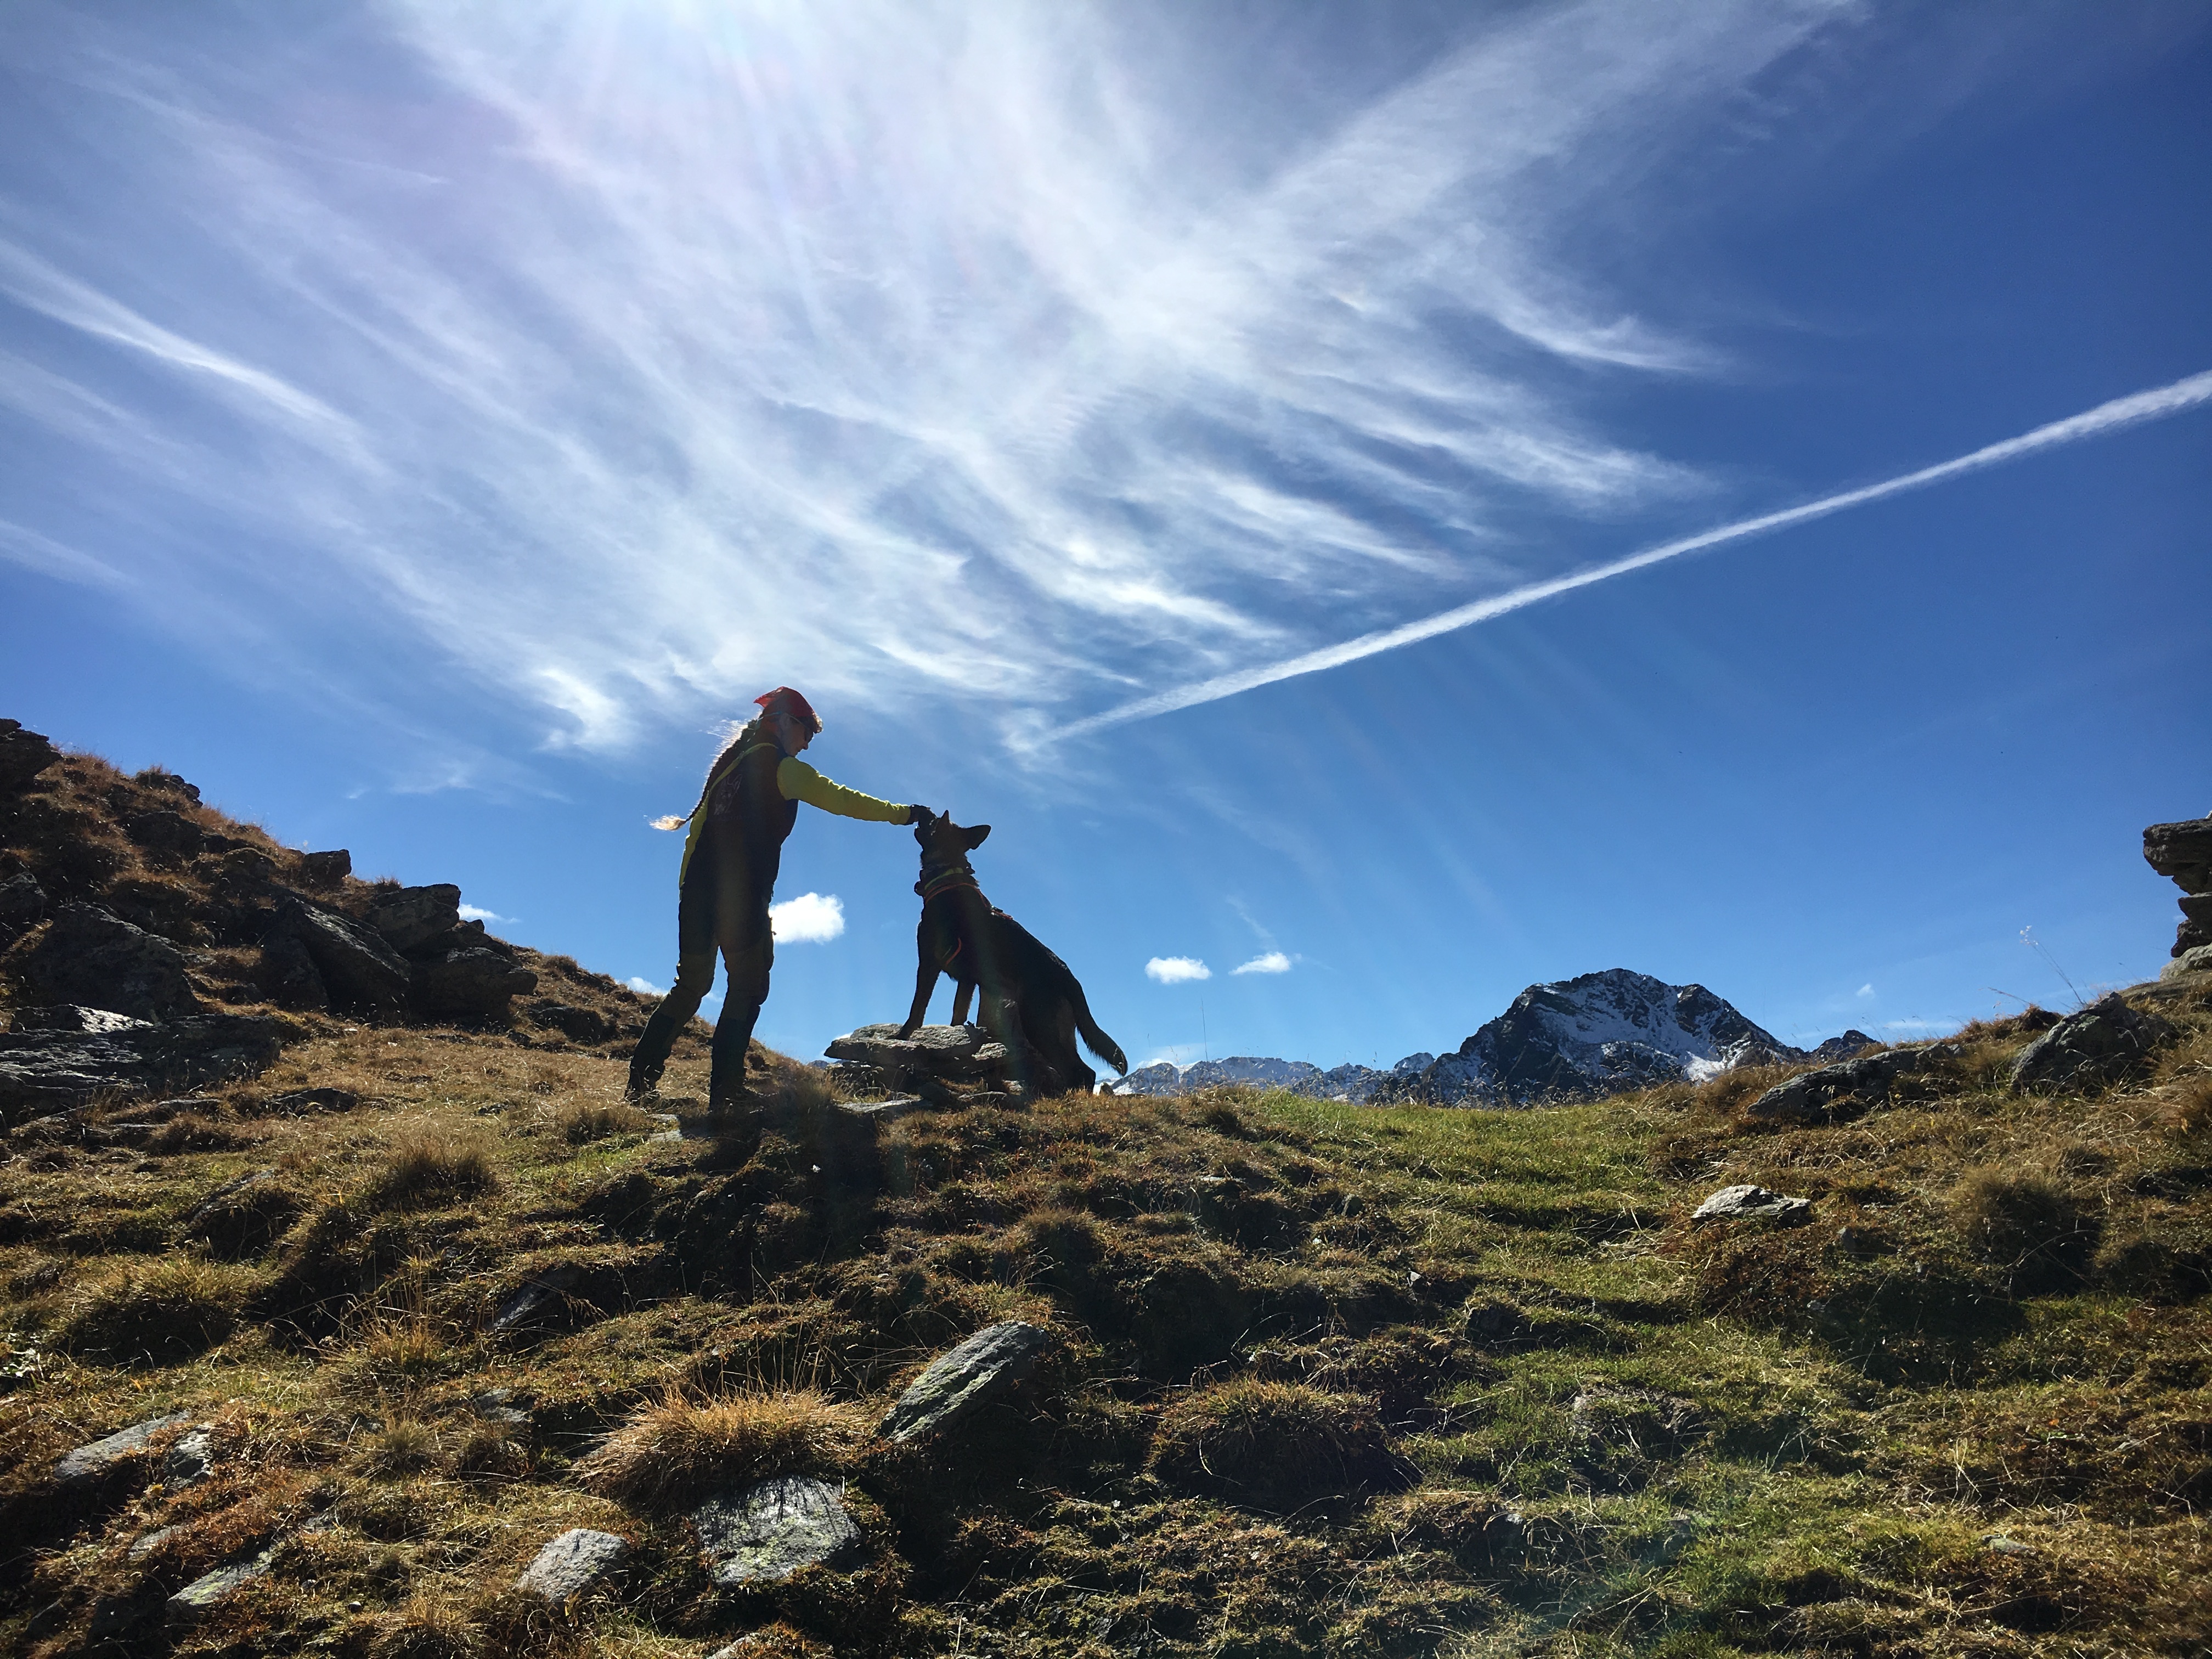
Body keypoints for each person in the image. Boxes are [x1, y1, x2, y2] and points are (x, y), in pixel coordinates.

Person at [627, 686, 927, 1111]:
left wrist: (687, 894)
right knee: (749, 984)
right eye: (806, 733)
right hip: (743, 898)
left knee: (690, 986)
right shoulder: (782, 768)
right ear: (786, 723)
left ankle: (639, 1086)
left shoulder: (727, 770)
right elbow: (843, 800)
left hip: (696, 895)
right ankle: (725, 1091)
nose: (806, 745)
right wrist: (906, 814)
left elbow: (696, 838)